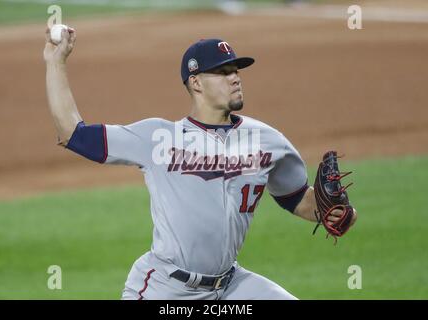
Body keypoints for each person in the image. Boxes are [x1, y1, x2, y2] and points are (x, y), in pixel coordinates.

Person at [44, 28, 357, 300]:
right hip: (166, 288)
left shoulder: (268, 140)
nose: (235, 77)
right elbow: (72, 133)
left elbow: (297, 199)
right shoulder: (158, 137)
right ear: (195, 83)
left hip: (231, 286)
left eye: (236, 70)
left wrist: (335, 211)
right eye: (222, 72)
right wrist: (56, 62)